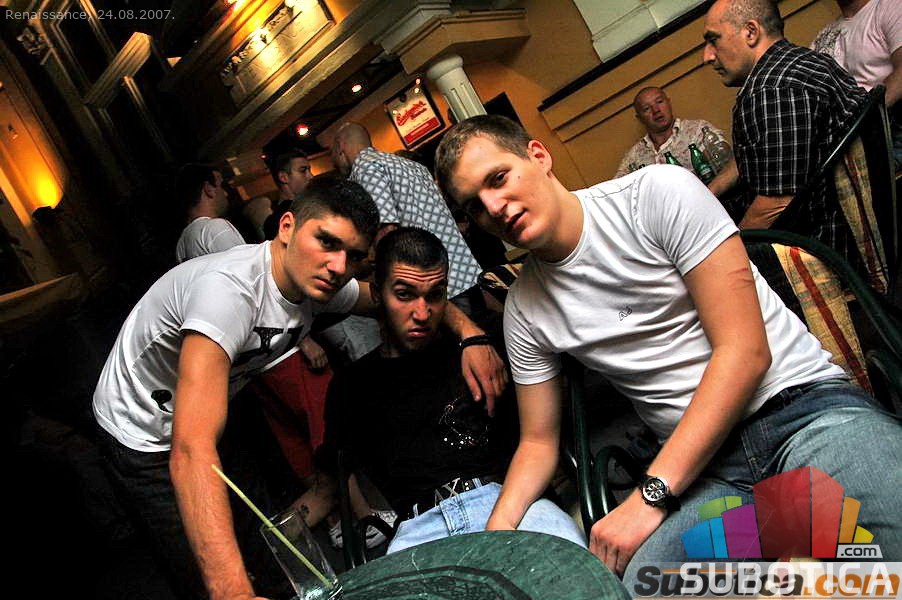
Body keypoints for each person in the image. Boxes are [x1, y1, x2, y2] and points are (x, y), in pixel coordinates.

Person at [434, 114, 901, 588]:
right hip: (708, 475)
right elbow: (538, 442)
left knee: (891, 542)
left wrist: (649, 497)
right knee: (645, 585)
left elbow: (744, 352)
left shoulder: (655, 195)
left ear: (538, 156)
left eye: (498, 178)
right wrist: (497, 535)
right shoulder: (523, 308)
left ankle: (804, 544)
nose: (493, 206)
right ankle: (801, 540)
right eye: (475, 206)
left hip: (800, 418)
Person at [93, 175, 505, 599]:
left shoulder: (321, 282)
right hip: (143, 433)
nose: (338, 266)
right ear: (286, 227)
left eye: (353, 255)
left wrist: (470, 333)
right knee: (205, 574)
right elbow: (191, 449)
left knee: (264, 545)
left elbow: (402, 297)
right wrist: (232, 591)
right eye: (326, 241)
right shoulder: (228, 294)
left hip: (211, 406)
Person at [316, 227, 585, 554]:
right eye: (404, 294)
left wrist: (475, 337)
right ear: (375, 293)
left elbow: (548, 414)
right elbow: (333, 473)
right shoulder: (353, 385)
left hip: (510, 499)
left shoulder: (485, 346)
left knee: (572, 570)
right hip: (420, 528)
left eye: (435, 295)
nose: (422, 314)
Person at [704, 0, 867, 264]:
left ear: (750, 32)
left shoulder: (772, 90)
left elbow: (776, 203)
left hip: (828, 251)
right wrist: (710, 190)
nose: (708, 56)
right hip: (848, 229)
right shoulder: (801, 62)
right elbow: (770, 152)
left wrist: (728, 258)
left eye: (714, 40)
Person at [331, 122, 483, 312]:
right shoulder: (410, 165)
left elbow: (387, 232)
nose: (334, 162)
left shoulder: (365, 168)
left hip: (429, 284)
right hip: (462, 272)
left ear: (340, 147)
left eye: (332, 154)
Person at [811, 0, 902, 165]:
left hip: (886, 130)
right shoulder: (824, 36)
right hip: (841, 143)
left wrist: (863, 117)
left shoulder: (889, 6)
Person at [614, 87, 733, 180]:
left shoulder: (698, 130)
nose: (656, 110)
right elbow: (618, 189)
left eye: (659, 102)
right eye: (647, 109)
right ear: (640, 118)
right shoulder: (634, 156)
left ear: (669, 103)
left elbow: (728, 165)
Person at [174, 164, 245, 263]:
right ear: (209, 189)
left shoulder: (181, 245)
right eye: (221, 186)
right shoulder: (215, 227)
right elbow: (245, 268)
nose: (225, 193)